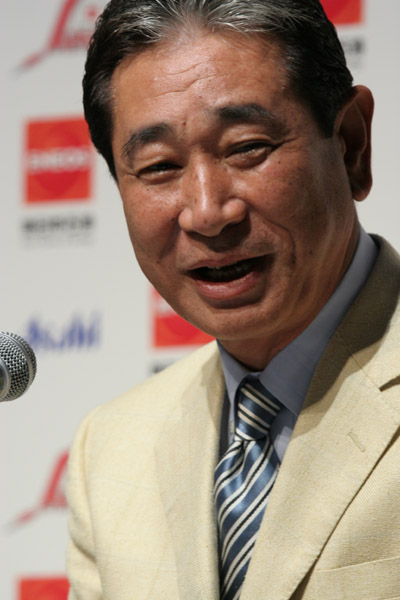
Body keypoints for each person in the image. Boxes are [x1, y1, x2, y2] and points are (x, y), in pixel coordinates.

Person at [66, 0, 400, 598]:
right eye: (159, 166)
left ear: (351, 144)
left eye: (246, 147)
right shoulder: (111, 448)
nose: (207, 211)